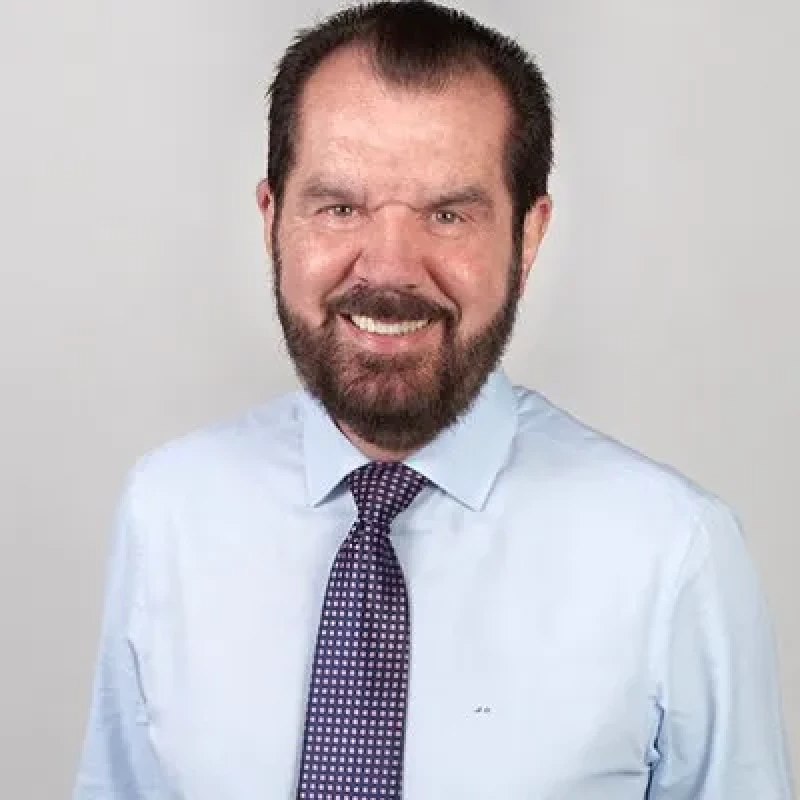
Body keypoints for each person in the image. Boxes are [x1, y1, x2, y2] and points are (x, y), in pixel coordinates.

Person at [74, 2, 795, 798]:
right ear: (273, 219)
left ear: (527, 238)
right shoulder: (168, 508)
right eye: (339, 207)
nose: (389, 268)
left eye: (447, 214)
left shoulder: (672, 554)